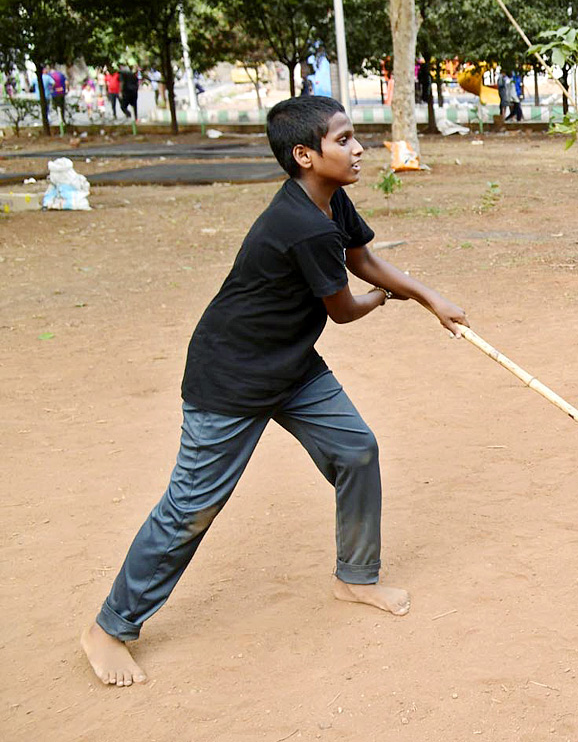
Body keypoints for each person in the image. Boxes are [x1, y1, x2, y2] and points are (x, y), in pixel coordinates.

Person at [80, 96, 469, 688]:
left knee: (356, 451)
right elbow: (343, 309)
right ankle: (110, 628)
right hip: (231, 378)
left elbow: (361, 255)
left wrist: (428, 295)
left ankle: (355, 577)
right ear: (305, 155)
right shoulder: (303, 225)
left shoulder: (330, 198)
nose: (359, 147)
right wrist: (389, 300)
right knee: (191, 508)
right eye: (343, 140)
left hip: (288, 365)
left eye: (353, 136)